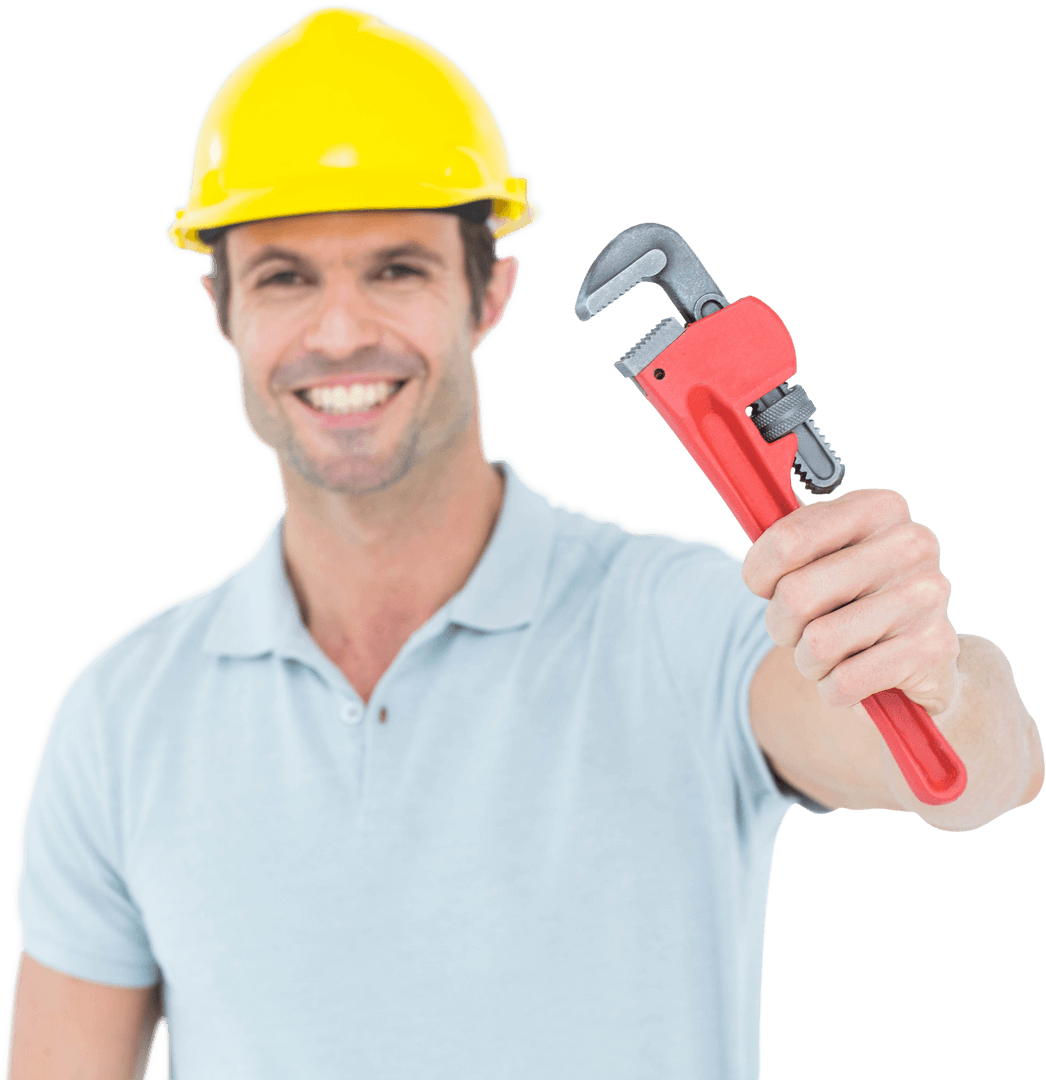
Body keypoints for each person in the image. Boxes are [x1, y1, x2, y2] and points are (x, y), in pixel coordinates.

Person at [6, 5, 1042, 1078]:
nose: (340, 331)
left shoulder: (683, 623)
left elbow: (978, 771)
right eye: (285, 276)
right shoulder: (118, 715)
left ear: (490, 291)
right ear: (218, 306)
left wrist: (937, 682)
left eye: (396, 269)